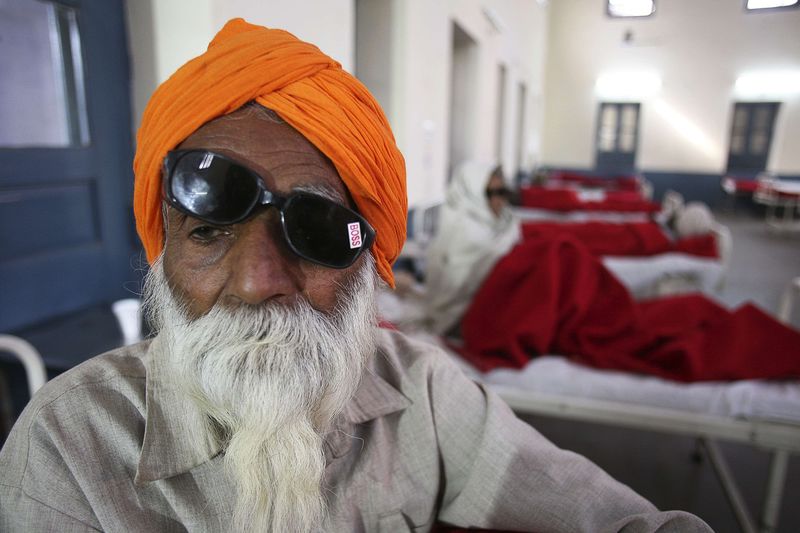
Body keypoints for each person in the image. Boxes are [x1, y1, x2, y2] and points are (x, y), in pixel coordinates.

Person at [0, 19, 713, 532]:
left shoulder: (423, 396)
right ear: (164, 251)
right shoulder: (71, 443)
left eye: (310, 235)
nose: (257, 281)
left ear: (365, 264)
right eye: (210, 230)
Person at [424, 161, 520, 335]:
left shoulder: (501, 220)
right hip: (461, 313)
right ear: (474, 193)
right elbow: (455, 289)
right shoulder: (463, 230)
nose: (501, 200)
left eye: (503, 192)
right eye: (493, 193)